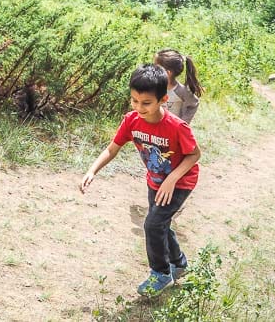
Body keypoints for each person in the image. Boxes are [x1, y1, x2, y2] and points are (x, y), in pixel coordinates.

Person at [79, 64, 201, 297]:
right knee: (160, 223)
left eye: (146, 103)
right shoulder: (131, 120)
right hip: (155, 180)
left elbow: (195, 155)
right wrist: (92, 170)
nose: (139, 107)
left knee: (152, 224)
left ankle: (161, 272)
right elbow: (112, 149)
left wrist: (172, 179)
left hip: (180, 182)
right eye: (134, 101)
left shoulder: (177, 126)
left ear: (162, 99)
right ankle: (179, 263)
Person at [154, 49, 202, 124]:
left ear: (168, 73)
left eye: (156, 68)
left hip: (172, 130)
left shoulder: (181, 91)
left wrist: (183, 122)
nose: (152, 70)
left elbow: (194, 104)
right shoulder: (153, 87)